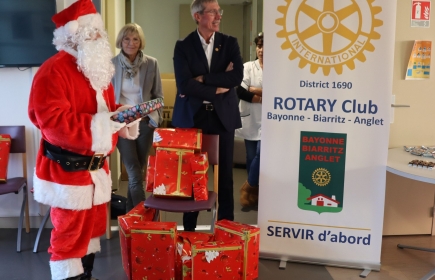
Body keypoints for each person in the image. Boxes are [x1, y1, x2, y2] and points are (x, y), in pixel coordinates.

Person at [28, 1, 139, 279]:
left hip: (96, 171)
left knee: (90, 233)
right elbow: (53, 124)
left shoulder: (97, 70)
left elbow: (106, 113)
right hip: (68, 172)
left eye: (99, 33)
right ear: (71, 36)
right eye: (92, 33)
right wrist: (106, 124)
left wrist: (122, 117)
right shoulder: (53, 70)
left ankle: (84, 275)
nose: (100, 39)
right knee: (68, 238)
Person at [172, 0, 243, 231]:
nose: (218, 16)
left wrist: (203, 79)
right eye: (213, 12)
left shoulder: (230, 43)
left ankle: (226, 229)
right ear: (198, 16)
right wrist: (217, 87)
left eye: (218, 11)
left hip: (223, 117)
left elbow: (236, 78)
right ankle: (189, 231)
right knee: (193, 176)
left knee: (225, 178)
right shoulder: (183, 46)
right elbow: (184, 86)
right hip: (193, 118)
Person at [112, 23, 163, 212]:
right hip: (122, 124)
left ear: (140, 42)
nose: (131, 43)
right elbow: (105, 96)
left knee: (138, 172)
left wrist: (153, 120)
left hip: (144, 123)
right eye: (127, 39)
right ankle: (143, 218)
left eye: (135, 39)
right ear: (121, 41)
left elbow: (159, 96)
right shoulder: (111, 64)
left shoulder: (152, 63)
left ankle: (129, 216)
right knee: (133, 172)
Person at [236, 32, 263, 209]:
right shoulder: (247, 67)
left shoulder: (278, 68)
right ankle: (255, 193)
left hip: (268, 120)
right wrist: (261, 96)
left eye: (266, 47)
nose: (262, 50)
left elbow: (280, 93)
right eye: (259, 46)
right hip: (251, 117)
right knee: (251, 156)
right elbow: (240, 91)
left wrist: (257, 90)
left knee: (261, 155)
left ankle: (247, 188)